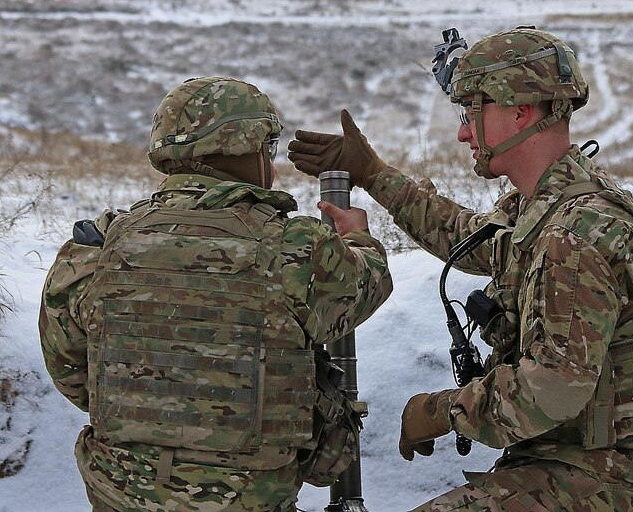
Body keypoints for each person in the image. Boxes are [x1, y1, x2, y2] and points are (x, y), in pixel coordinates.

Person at [288, 27, 633, 510]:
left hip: (622, 476)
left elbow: (548, 393)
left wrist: (438, 412)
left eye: (471, 113)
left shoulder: (573, 239)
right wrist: (372, 172)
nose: (461, 132)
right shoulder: (558, 202)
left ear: (520, 111)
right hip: (597, 461)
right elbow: (467, 237)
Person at [39, 76, 392, 511]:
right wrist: (358, 240)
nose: (273, 166)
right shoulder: (294, 247)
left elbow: (73, 373)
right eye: (268, 150)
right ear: (242, 149)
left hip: (120, 494)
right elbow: (366, 287)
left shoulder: (96, 249)